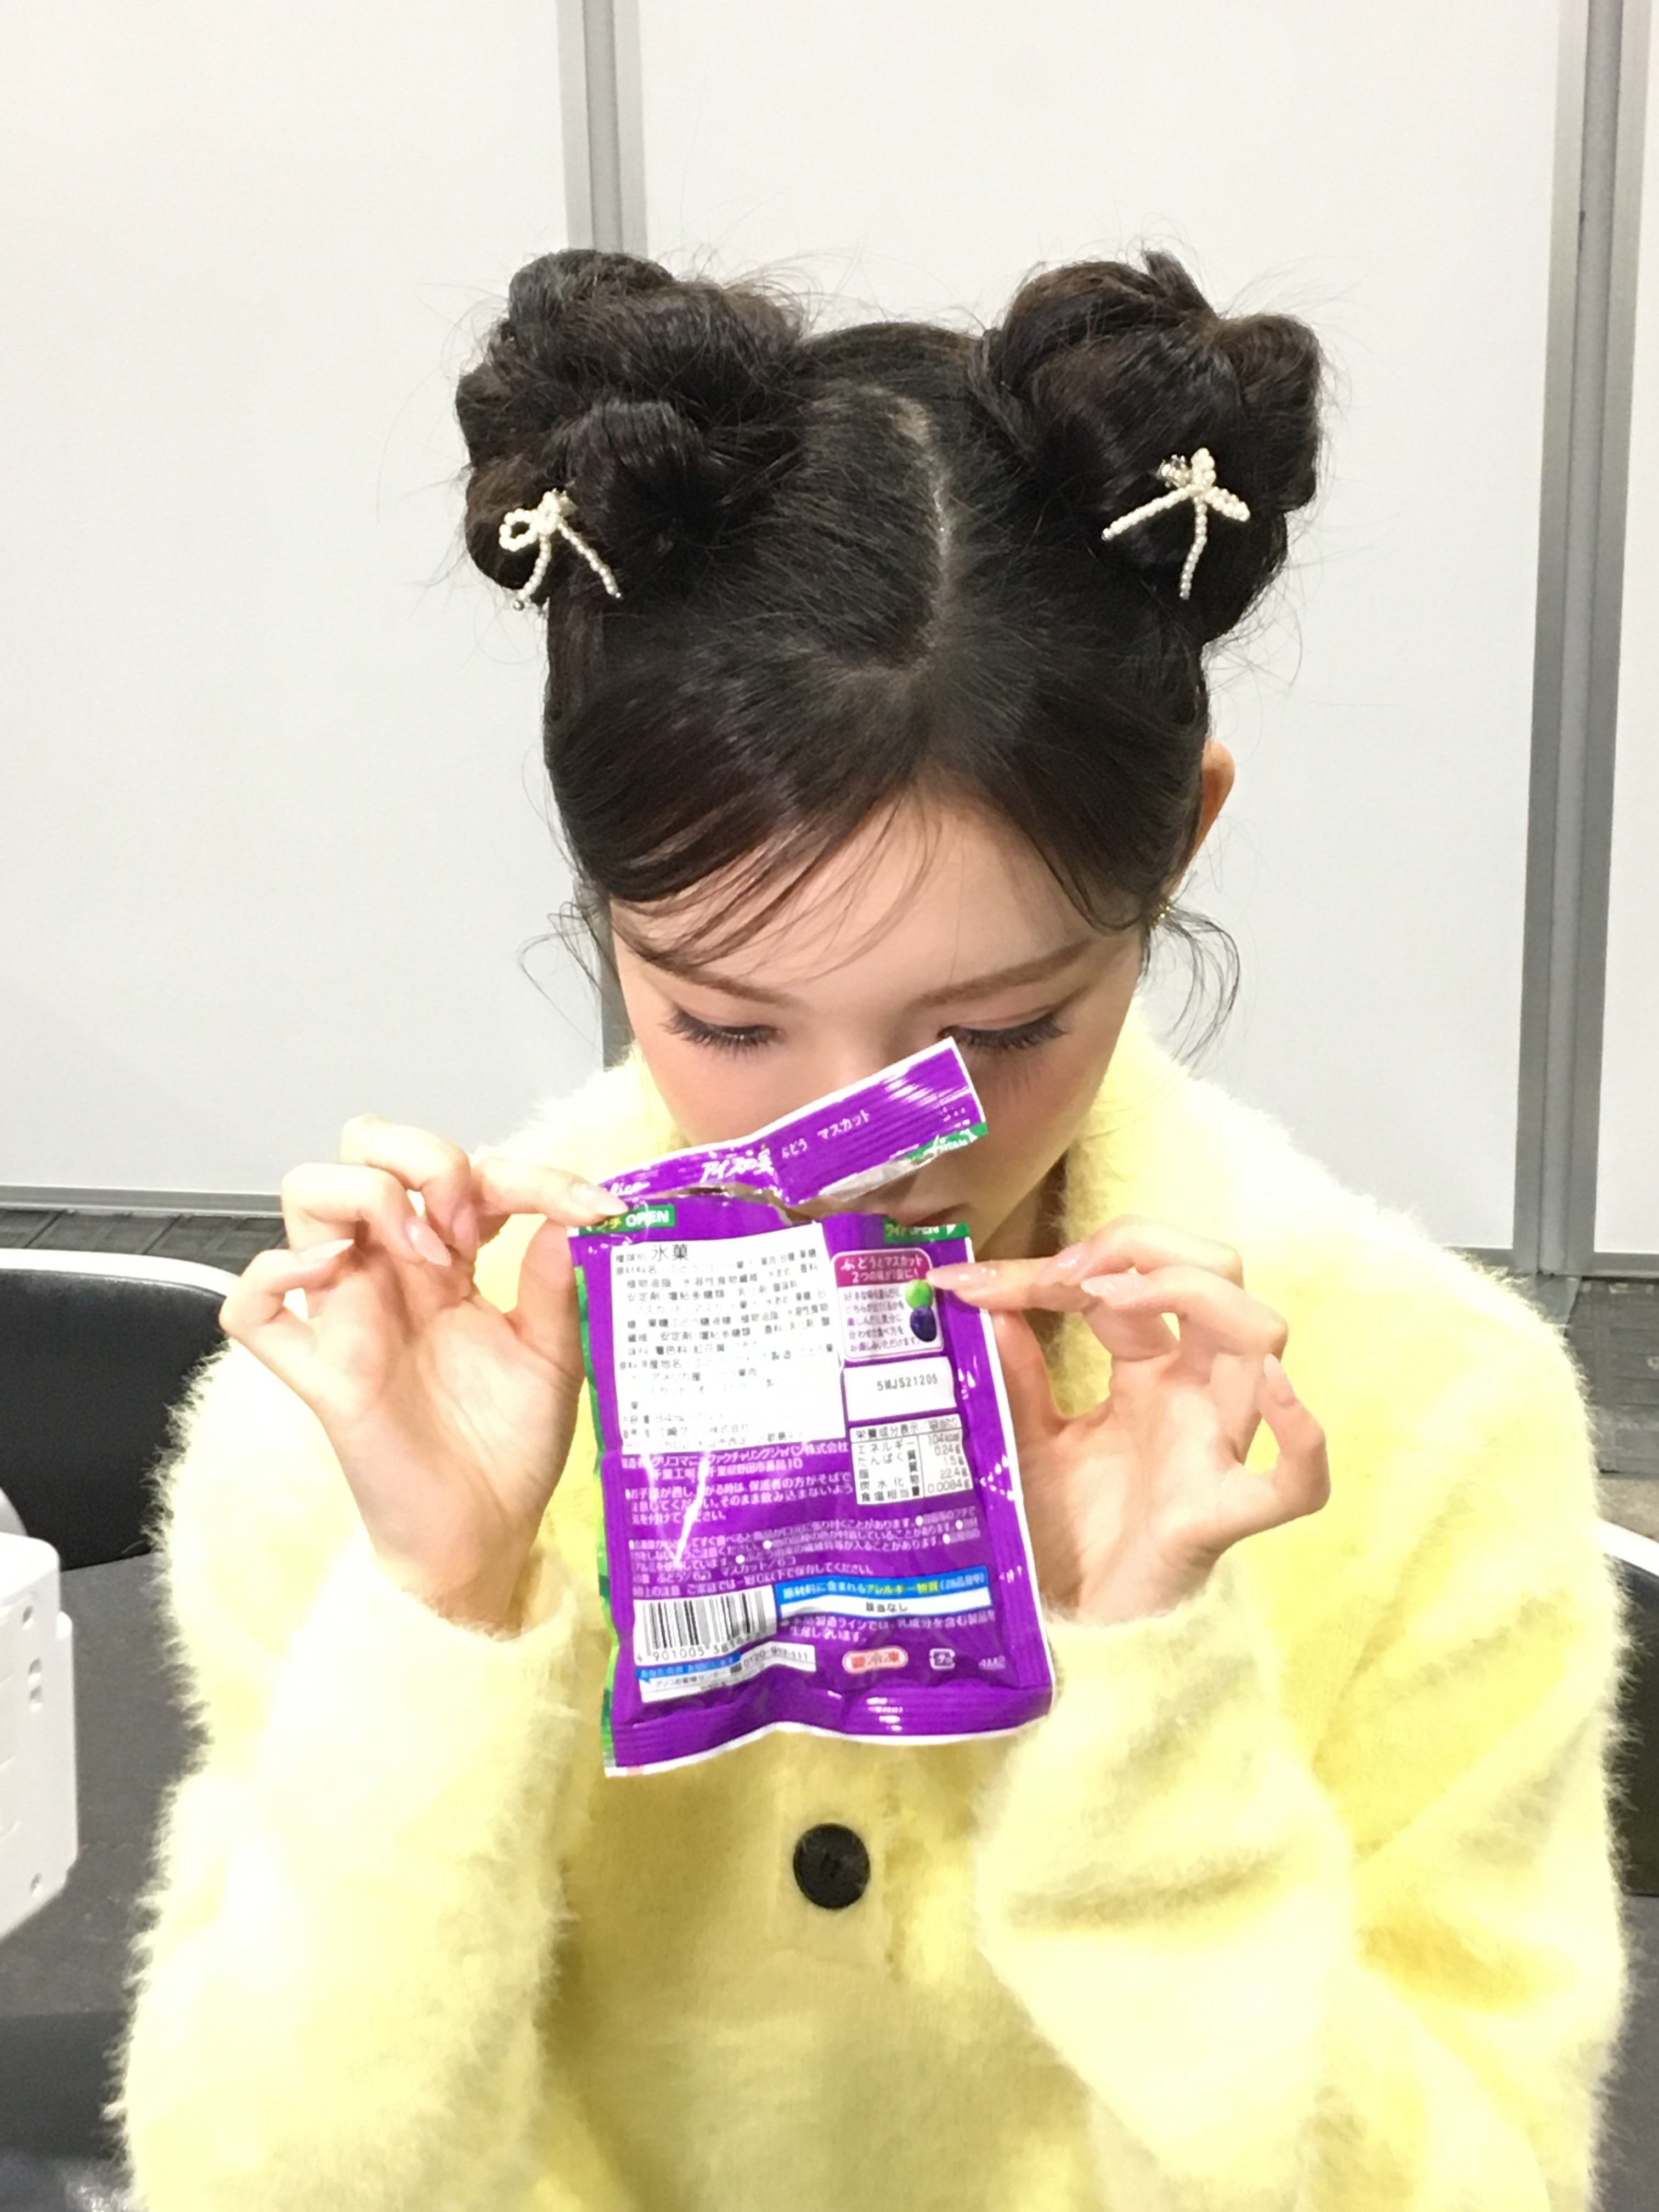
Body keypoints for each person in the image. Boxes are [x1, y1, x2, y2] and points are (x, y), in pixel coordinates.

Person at [108, 247, 1633, 2212]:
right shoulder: (354, 1419)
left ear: (1181, 841)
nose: (850, 1150)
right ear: (607, 909)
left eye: (995, 1033)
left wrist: (1149, 1695)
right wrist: (444, 1618)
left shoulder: (1422, 1418)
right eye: (727, 1023)